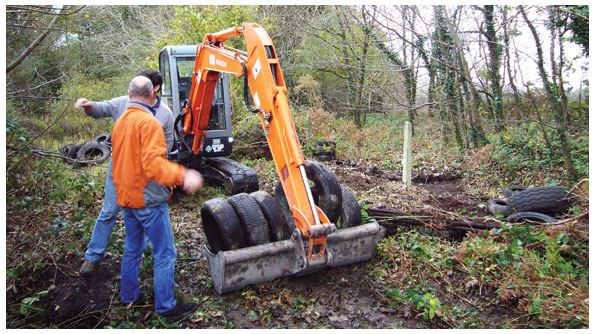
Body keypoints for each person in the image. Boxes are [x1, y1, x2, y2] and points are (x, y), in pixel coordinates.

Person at [111, 76, 203, 322]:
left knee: (132, 249)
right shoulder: (149, 123)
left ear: (129, 95)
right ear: (153, 94)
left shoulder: (120, 122)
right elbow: (154, 166)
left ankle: (129, 298)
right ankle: (165, 307)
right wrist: (182, 174)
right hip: (148, 201)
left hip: (126, 198)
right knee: (165, 253)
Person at [74, 70, 174, 276]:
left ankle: (141, 259)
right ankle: (92, 257)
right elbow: (101, 108)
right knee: (110, 211)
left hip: (148, 172)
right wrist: (88, 105)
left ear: (154, 89)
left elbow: (169, 142)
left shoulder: (165, 113)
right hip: (120, 168)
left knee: (146, 213)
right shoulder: (124, 103)